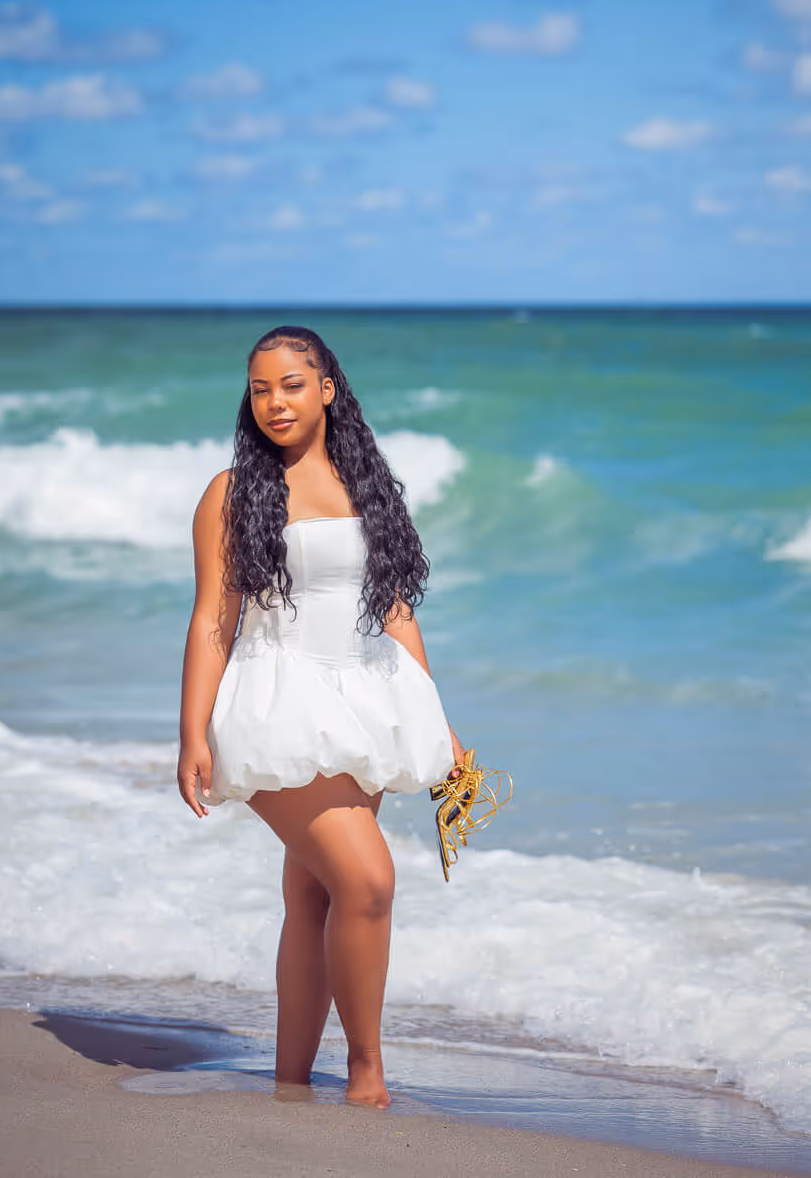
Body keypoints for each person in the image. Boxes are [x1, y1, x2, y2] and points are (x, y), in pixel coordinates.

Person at [176, 323, 465, 1110]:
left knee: (314, 896)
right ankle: (367, 1073)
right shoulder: (231, 494)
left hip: (367, 700)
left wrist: (439, 725)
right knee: (368, 880)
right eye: (261, 387)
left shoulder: (364, 483)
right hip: (277, 702)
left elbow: (395, 610)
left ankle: (291, 1080)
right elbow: (213, 619)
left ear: (328, 389)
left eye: (292, 385)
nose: (275, 401)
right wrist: (191, 732)